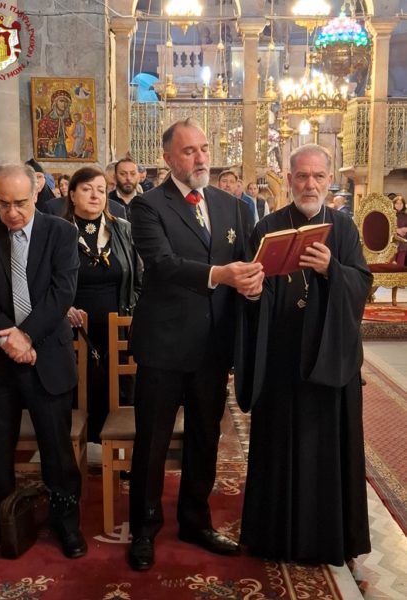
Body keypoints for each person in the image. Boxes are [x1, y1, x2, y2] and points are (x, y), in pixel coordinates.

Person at [127, 118, 263, 571]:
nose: (201, 157)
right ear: (168, 158)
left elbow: (246, 261)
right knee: (153, 442)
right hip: (164, 345)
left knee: (205, 438)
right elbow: (162, 264)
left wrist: (251, 284)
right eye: (189, 151)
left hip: (212, 346)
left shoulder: (232, 206)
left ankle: (195, 521)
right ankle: (144, 528)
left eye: (204, 148)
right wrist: (220, 275)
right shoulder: (148, 205)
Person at [235, 143, 373, 566]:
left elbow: (361, 284)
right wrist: (252, 294)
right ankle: (274, 537)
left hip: (329, 359)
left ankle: (329, 539)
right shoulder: (268, 227)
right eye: (301, 176)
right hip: (281, 358)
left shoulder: (343, 228)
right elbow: (253, 288)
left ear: (329, 179)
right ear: (289, 179)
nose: (309, 184)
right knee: (278, 448)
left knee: (327, 453)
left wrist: (332, 269)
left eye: (317, 176)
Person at [0, 163, 87, 560]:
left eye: (20, 203)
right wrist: (10, 337)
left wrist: (27, 335)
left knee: (57, 451)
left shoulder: (61, 233)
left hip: (45, 356)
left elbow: (62, 291)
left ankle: (66, 524)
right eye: (3, 204)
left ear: (36, 193)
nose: (12, 212)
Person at [64, 166, 142, 442]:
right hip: (72, 328)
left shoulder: (122, 229)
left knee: (116, 388)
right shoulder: (58, 230)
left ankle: (111, 445)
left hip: (117, 326)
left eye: (101, 190)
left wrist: (132, 313)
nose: (95, 195)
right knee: (77, 389)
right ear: (72, 194)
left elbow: (138, 279)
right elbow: (45, 280)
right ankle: (79, 445)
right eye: (87, 189)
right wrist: (62, 309)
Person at [217, 170, 254, 239]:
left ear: (236, 185)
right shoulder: (210, 205)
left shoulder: (244, 208)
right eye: (224, 181)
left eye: (232, 182)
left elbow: (248, 235)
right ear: (218, 184)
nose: (228, 185)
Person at [393, 194, 407, 266]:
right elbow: (385, 227)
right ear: (394, 204)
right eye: (397, 203)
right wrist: (397, 230)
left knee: (400, 265)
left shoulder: (406, 215)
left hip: (404, 243)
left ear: (403, 205)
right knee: (391, 265)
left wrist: (406, 229)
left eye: (401, 203)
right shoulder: (390, 214)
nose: (399, 205)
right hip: (392, 243)